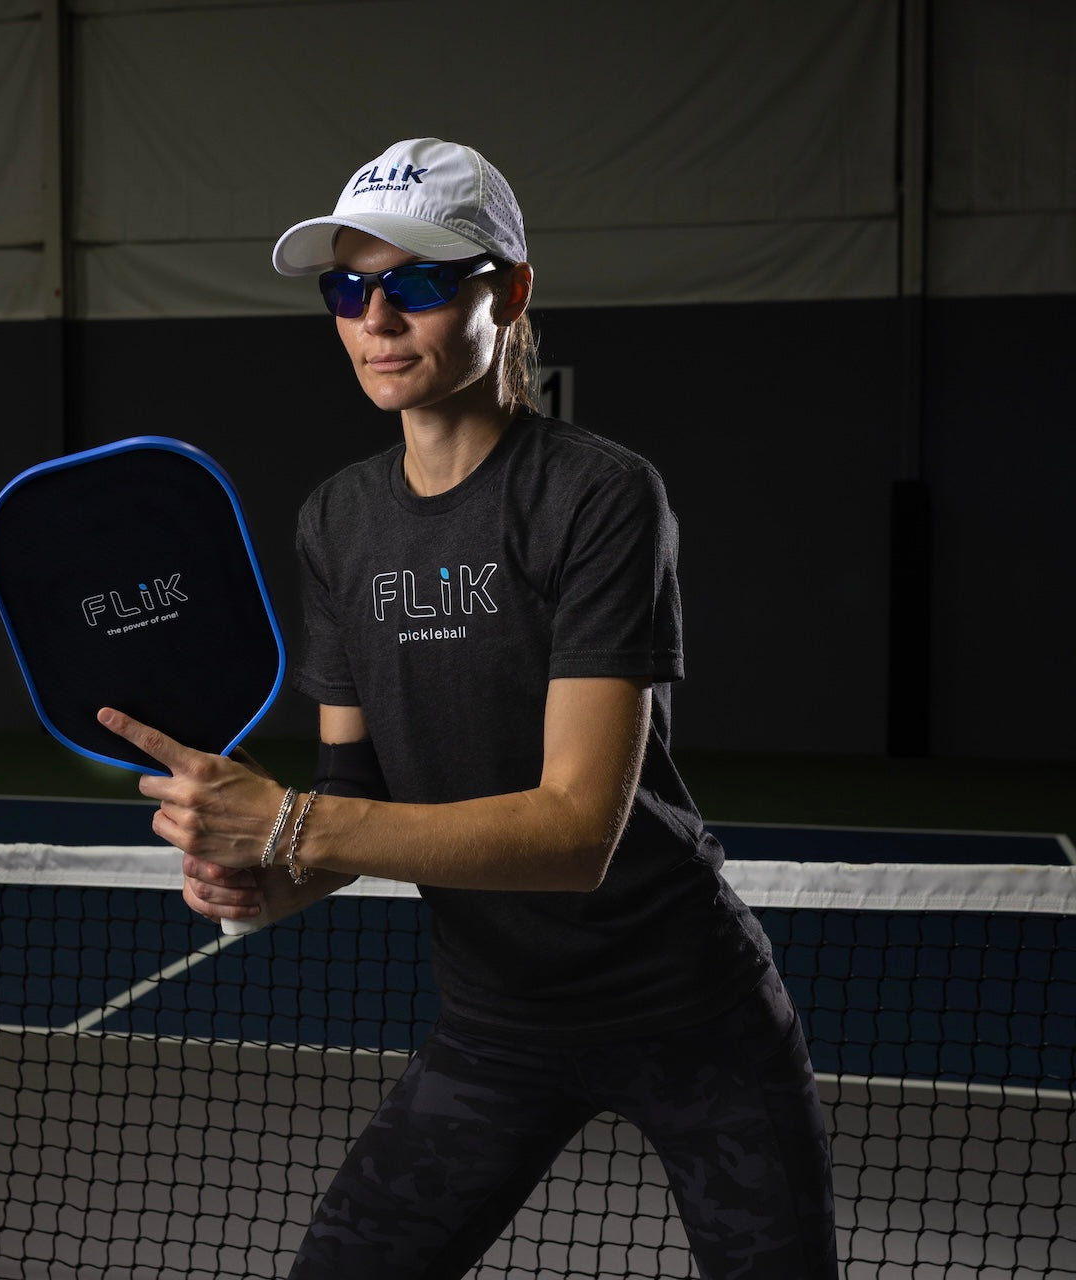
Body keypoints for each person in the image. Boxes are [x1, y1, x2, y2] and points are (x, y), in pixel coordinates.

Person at [97, 137, 838, 1280]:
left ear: (512, 290)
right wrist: (264, 875)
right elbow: (356, 798)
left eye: (422, 281)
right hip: (496, 1021)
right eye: (349, 286)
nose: (377, 317)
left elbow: (574, 831)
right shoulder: (335, 521)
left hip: (690, 1012)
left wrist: (286, 823)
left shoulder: (597, 495)